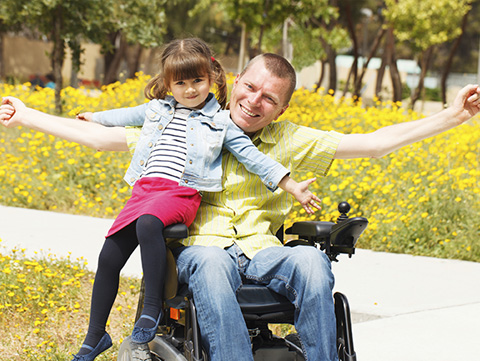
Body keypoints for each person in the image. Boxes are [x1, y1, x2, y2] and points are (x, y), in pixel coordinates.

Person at [2, 52, 480, 361]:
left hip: (263, 249)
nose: (255, 101)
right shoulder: (187, 120)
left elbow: (377, 142)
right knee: (209, 263)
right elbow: (97, 135)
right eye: (249, 88)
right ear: (235, 82)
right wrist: (26, 115)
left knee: (311, 259)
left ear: (282, 109)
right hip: (205, 249)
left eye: (270, 98)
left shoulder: (292, 141)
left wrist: (454, 115)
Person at [1, 40, 321, 361]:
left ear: (212, 78)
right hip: (145, 191)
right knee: (109, 257)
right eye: (180, 83)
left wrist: (291, 185)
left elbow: (253, 158)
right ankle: (95, 336)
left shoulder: (221, 122)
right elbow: (120, 118)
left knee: (149, 223)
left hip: (180, 192)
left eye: (197, 81)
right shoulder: (157, 110)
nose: (190, 90)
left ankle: (150, 313)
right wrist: (91, 116)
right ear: (168, 84)